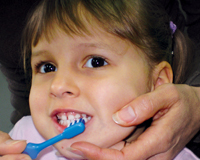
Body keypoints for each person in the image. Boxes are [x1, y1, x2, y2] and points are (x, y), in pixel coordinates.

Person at [0, 1, 200, 160]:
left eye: (95, 62)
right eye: (47, 67)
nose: (58, 85)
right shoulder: (23, 138)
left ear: (157, 83)